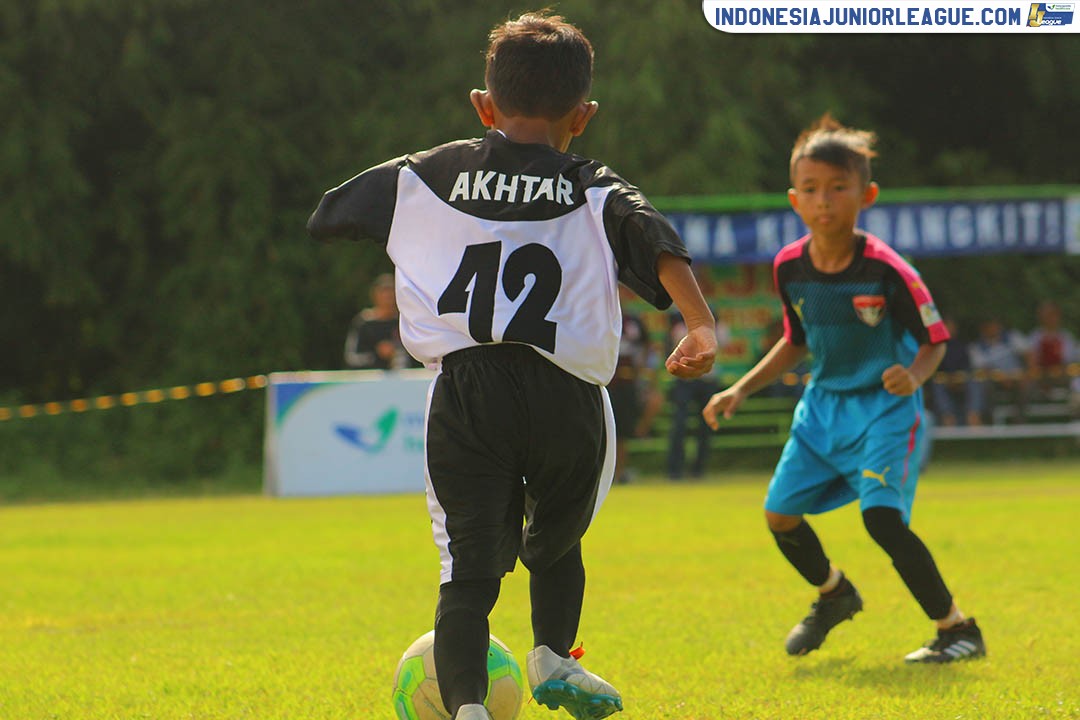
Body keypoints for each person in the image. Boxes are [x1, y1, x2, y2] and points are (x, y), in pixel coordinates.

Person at [307, 12, 717, 720]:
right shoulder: (591, 183)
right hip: (566, 391)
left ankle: (466, 707)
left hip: (465, 394)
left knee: (464, 572)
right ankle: (553, 655)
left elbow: (329, 214)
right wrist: (701, 323)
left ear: (483, 106)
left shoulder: (426, 173)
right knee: (557, 536)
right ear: (582, 117)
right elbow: (651, 236)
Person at [703, 114, 985, 664]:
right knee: (779, 516)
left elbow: (935, 340)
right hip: (821, 410)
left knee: (881, 517)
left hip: (885, 410)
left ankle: (958, 630)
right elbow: (795, 341)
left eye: (838, 188)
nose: (824, 201)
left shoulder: (888, 270)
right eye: (811, 190)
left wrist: (915, 375)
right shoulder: (788, 267)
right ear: (794, 199)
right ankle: (834, 594)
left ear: (867, 194)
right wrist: (739, 390)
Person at [665, 312, 720, 480]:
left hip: (707, 380)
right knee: (679, 425)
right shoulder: (679, 324)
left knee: (705, 425)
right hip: (684, 381)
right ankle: (675, 469)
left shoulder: (714, 323)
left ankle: (698, 468)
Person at [609, 285, 653, 485]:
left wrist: (639, 371)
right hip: (604, 381)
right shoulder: (597, 316)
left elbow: (646, 346)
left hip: (626, 383)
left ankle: (619, 472)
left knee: (622, 432)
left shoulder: (633, 321)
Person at [343, 273, 417, 369]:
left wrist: (396, 354)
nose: (387, 297)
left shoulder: (405, 322)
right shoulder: (364, 323)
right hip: (370, 379)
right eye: (383, 292)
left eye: (391, 291)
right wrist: (376, 355)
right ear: (374, 294)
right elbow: (350, 357)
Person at [967, 317, 1030, 425]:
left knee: (1025, 384)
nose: (994, 329)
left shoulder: (1012, 337)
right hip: (994, 380)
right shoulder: (976, 347)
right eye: (990, 326)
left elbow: (1029, 354)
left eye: (995, 325)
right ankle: (990, 420)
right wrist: (1001, 377)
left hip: (1017, 377)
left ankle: (1019, 419)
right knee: (984, 386)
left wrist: (1026, 372)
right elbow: (983, 369)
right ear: (983, 329)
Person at [926, 317, 977, 426]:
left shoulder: (961, 345)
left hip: (961, 378)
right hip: (942, 378)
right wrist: (949, 379)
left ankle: (973, 415)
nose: (949, 329)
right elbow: (933, 368)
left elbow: (967, 366)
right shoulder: (933, 346)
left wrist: (958, 379)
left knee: (975, 381)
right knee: (937, 383)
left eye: (951, 326)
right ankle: (948, 417)